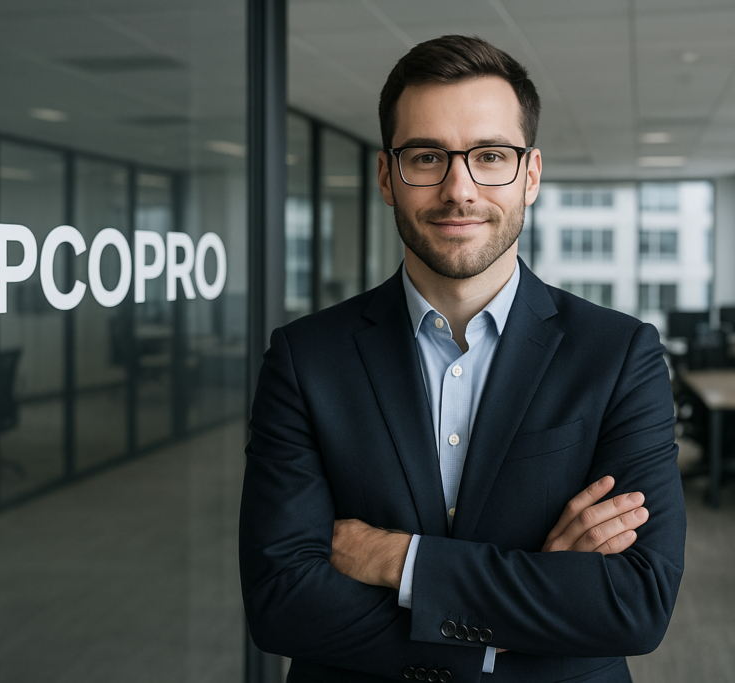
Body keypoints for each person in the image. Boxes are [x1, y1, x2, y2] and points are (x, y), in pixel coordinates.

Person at [239, 35, 686, 683]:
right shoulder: (307, 357)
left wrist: (404, 560)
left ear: (529, 175)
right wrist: (518, 610)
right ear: (387, 177)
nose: (459, 188)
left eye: (490, 156)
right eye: (426, 157)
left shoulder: (619, 354)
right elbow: (281, 601)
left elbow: (634, 601)